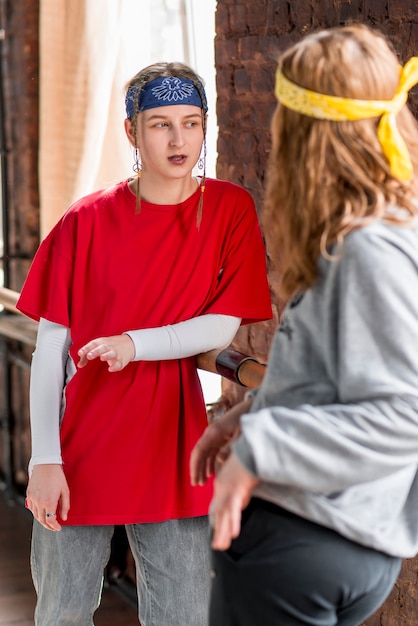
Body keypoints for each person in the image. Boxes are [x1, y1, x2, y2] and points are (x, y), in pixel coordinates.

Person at [16, 61, 272, 626]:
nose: (179, 139)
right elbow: (50, 349)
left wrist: (134, 343)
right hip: (79, 437)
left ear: (207, 128)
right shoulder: (84, 221)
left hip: (171, 437)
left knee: (183, 613)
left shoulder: (230, 210)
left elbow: (221, 326)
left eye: (191, 122)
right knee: (61, 611)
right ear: (132, 131)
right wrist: (44, 460)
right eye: (160, 124)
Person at [190, 23, 418, 626]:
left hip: (305, 544)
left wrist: (261, 449)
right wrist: (247, 417)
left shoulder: (370, 253)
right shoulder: (375, 236)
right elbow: (341, 381)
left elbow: (403, 415)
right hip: (335, 541)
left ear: (301, 134)